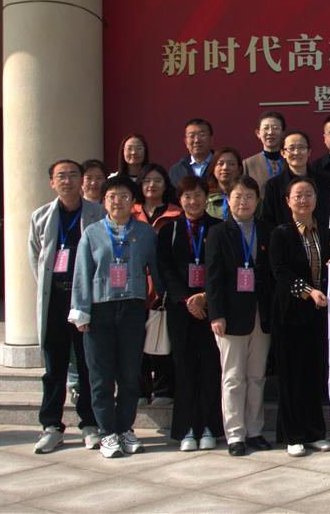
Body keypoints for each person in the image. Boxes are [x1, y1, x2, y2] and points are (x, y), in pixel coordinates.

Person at [69, 176, 162, 458]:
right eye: (111, 196)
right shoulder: (92, 233)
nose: (117, 201)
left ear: (133, 202)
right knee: (101, 375)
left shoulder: (145, 233)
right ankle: (106, 431)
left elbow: (156, 269)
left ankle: (125, 428)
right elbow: (82, 273)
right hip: (100, 309)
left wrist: (162, 299)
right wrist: (81, 311)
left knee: (130, 374)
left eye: (124, 196)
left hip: (132, 308)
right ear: (104, 201)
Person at [28, 160, 105, 454]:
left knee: (87, 365)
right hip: (56, 300)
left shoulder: (97, 213)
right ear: (52, 182)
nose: (68, 180)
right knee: (54, 367)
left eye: (74, 175)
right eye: (61, 176)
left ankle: (90, 423)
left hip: (86, 300)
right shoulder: (40, 216)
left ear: (82, 181)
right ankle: (51, 425)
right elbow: (36, 256)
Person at [205, 177, 275, 456]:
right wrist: (216, 314)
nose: (243, 202)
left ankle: (255, 430)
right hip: (231, 315)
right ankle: (235, 434)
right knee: (233, 377)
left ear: (257, 201)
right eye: (238, 196)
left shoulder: (267, 230)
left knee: (256, 375)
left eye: (249, 196)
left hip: (261, 313)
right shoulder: (218, 232)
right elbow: (213, 277)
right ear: (228, 200)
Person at [269, 177, 330, 456]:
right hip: (290, 314)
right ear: (288, 201)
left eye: (308, 194)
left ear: (316, 200)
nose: (303, 200)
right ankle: (293, 435)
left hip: (318, 316)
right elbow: (280, 272)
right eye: (297, 195)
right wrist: (308, 292)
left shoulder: (327, 233)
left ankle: (314, 432)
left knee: (313, 374)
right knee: (291, 376)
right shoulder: (281, 234)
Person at [156, 176, 224, 451]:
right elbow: (165, 269)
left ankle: (209, 427)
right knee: (184, 368)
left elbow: (223, 268)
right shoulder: (169, 230)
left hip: (212, 307)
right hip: (181, 309)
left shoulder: (218, 228)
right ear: (179, 199)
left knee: (210, 367)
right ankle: (185, 429)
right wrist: (187, 299)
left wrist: (204, 297)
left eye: (197, 195)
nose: (193, 201)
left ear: (206, 197)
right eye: (187, 196)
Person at [130, 163, 182, 408]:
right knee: (135, 341)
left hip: (164, 286)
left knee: (163, 337)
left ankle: (163, 389)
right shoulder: (130, 212)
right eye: (147, 180)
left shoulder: (175, 213)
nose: (152, 185)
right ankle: (140, 389)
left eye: (157, 180)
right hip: (134, 286)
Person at [262, 131, 330, 228]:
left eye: (301, 147)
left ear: (309, 152)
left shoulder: (325, 182)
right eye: (291, 148)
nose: (296, 152)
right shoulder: (273, 186)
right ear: (283, 153)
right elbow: (268, 221)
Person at [206, 147, 259, 221]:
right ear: (213, 169)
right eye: (220, 164)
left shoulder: (251, 196)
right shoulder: (205, 198)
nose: (225, 168)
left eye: (231, 164)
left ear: (239, 169)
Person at [242, 111, 287, 196]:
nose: (270, 132)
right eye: (266, 128)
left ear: (283, 133)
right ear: (258, 133)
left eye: (275, 128)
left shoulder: (291, 161)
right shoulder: (248, 164)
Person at [169, 118, 215, 186]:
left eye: (202, 135)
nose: (196, 140)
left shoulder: (220, 165)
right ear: (186, 142)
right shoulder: (176, 170)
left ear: (211, 139)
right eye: (191, 136)